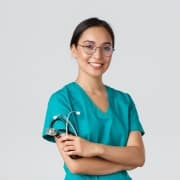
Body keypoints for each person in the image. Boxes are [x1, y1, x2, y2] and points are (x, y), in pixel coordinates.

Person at [42, 17, 145, 180]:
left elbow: (138, 156)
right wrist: (125, 162)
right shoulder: (61, 100)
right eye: (89, 46)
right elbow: (76, 165)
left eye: (106, 48)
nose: (98, 55)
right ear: (74, 49)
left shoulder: (124, 101)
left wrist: (94, 148)